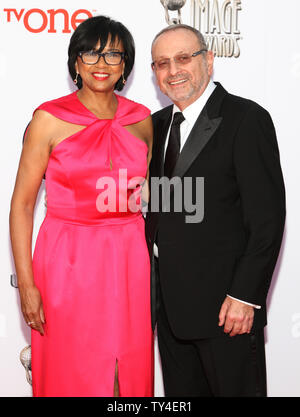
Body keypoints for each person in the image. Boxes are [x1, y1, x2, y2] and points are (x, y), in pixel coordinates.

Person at [9, 15, 153, 397]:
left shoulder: (141, 120)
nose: (101, 64)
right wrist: (26, 285)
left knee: (128, 371)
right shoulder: (48, 119)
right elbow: (22, 206)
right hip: (67, 261)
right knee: (72, 370)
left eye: (113, 55)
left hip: (129, 261)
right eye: (91, 53)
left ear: (126, 66)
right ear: (75, 62)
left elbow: (147, 196)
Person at [145, 24, 286, 397]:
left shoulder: (245, 118)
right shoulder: (154, 127)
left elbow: (267, 220)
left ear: (208, 60)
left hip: (227, 312)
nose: (172, 70)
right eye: (162, 63)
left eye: (183, 58)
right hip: (170, 312)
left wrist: (244, 296)